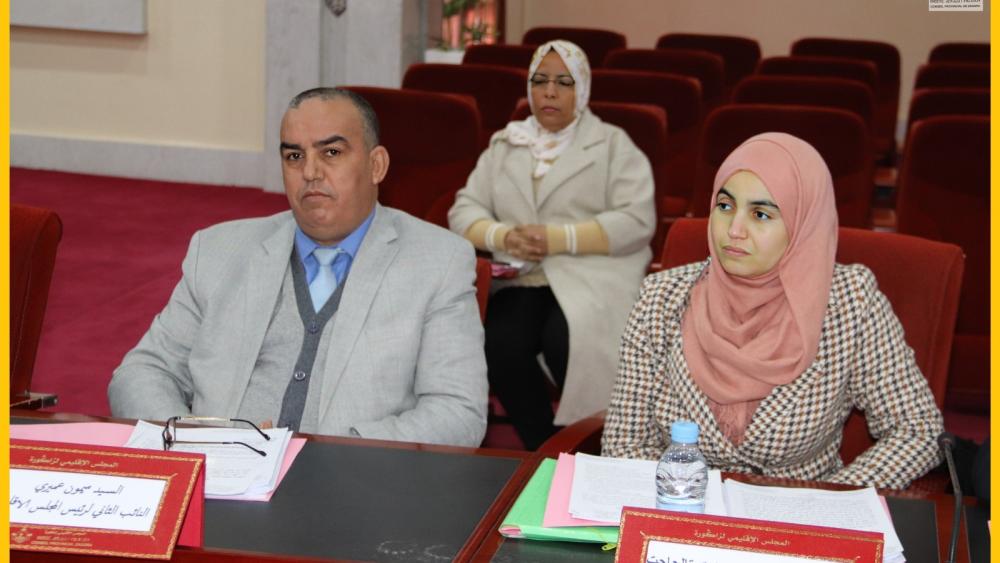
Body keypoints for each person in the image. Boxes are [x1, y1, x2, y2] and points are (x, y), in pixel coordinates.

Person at [109, 88, 488, 447]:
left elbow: (457, 414)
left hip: (351, 483)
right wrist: (195, 441)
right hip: (218, 479)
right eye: (294, 156)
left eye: (332, 153)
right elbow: (142, 372)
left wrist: (332, 455)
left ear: (376, 165)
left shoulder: (437, 261)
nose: (310, 172)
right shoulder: (218, 251)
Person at [603, 133, 943, 488]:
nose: (734, 230)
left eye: (761, 214)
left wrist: (828, 502)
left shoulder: (850, 303)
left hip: (804, 509)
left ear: (802, 224)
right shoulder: (661, 297)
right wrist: (693, 502)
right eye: (725, 206)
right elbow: (623, 443)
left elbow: (917, 430)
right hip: (682, 506)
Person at [448, 40, 655, 450]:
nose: (549, 92)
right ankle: (545, 448)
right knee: (499, 342)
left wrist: (558, 239)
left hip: (592, 277)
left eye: (564, 82)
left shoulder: (613, 143)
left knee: (568, 342)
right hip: (522, 277)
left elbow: (637, 220)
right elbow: (463, 210)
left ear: (583, 89)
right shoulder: (507, 143)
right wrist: (503, 236)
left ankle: (597, 446)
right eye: (540, 81)